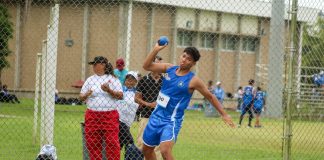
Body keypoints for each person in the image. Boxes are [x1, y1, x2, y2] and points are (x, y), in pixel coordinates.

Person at [141, 43, 234, 160]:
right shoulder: (169, 68)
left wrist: (224, 114)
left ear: (193, 64)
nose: (184, 60)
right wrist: (155, 49)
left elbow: (210, 96)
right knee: (146, 150)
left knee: (165, 151)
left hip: (171, 120)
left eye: (189, 59)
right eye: (184, 56)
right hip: (156, 116)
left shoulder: (193, 80)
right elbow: (146, 66)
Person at [79, 56, 123, 160]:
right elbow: (80, 97)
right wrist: (86, 94)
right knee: (93, 142)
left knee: (112, 142)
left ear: (103, 65)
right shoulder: (90, 79)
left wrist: (109, 90)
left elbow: (121, 95)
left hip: (109, 115)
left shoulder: (113, 79)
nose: (93, 67)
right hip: (92, 115)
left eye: (95, 64)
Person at [135, 55, 163, 160]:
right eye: (157, 64)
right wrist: (148, 104)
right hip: (146, 115)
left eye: (161, 65)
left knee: (159, 145)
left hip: (161, 117)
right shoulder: (143, 80)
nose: (160, 67)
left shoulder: (165, 81)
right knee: (142, 142)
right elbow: (136, 98)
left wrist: (160, 104)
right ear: (152, 65)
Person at [116, 71, 141, 157]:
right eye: (127, 80)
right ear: (124, 81)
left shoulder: (137, 94)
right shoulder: (120, 91)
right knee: (130, 142)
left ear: (135, 82)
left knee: (120, 144)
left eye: (132, 80)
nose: (129, 82)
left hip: (128, 123)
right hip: (118, 120)